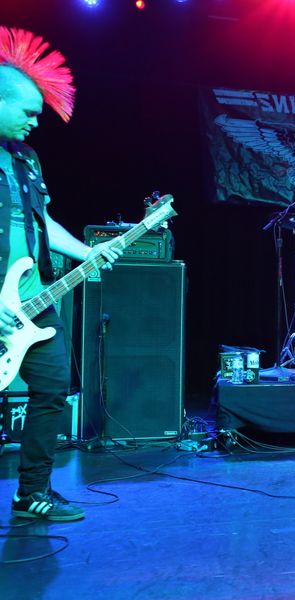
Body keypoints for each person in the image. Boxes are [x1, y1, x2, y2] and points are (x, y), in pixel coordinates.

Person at [0, 28, 123, 520]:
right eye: (29, 111)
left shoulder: (26, 159)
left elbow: (42, 223)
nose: (36, 122)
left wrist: (90, 252)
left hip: (33, 301)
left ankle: (31, 493)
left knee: (51, 392)